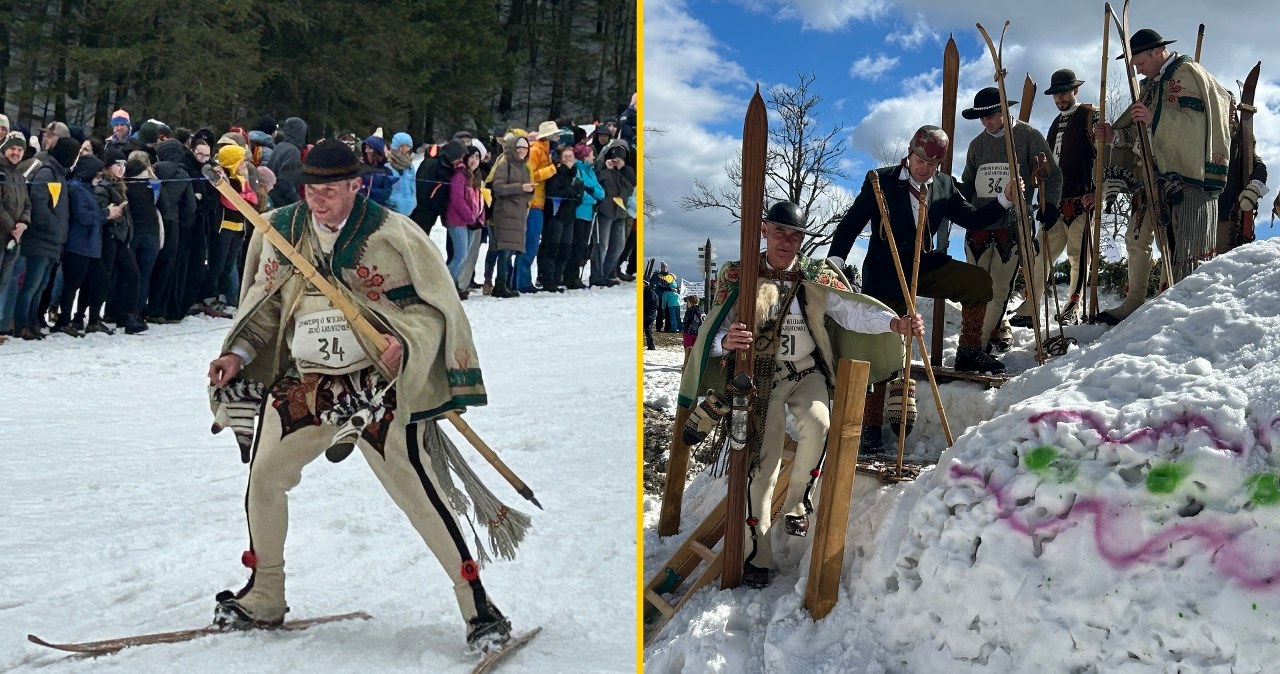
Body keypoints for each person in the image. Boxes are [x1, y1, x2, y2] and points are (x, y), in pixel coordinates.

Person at [205, 139, 526, 652]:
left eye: (330, 190)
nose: (318, 200)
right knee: (264, 478)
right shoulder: (280, 231)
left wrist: (406, 342)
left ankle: (478, 607)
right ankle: (264, 594)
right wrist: (238, 355)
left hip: (376, 388)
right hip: (306, 384)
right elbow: (261, 307)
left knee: (417, 493)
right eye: (311, 189)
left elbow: (435, 310)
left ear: (358, 184)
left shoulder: (395, 236)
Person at [678, 201, 914, 589]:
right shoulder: (741, 275)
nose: (787, 241)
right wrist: (727, 340)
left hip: (806, 372)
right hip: (762, 379)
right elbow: (714, 330)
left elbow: (850, 311)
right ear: (764, 232)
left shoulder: (816, 275)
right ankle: (758, 555)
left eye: (796, 235)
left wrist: (894, 321)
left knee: (820, 423)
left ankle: (798, 503)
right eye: (780, 232)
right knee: (763, 465)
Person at [829, 126, 1023, 450]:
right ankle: (871, 427)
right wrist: (835, 263)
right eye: (921, 160)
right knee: (880, 345)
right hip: (885, 272)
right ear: (910, 152)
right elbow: (851, 223)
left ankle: (969, 351)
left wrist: (1005, 199)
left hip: (924, 264)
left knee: (977, 282)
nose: (925, 168)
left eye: (932, 164)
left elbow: (972, 219)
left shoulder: (944, 186)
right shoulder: (880, 180)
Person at [1094, 28, 1232, 325]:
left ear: (1157, 52)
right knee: (1136, 238)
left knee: (1179, 248)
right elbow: (1138, 135)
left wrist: (1156, 118)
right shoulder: (1148, 87)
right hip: (1151, 178)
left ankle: (1173, 307)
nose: (1137, 68)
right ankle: (1134, 303)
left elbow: (1200, 124)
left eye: (1140, 61)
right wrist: (1114, 135)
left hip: (1186, 179)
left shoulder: (1189, 73)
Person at [958, 87, 1062, 353]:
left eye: (990, 116)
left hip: (1013, 226)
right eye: (981, 118)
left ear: (1004, 111)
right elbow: (969, 182)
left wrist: (1049, 204)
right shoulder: (976, 145)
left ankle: (975, 347)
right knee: (978, 288)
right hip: (980, 225)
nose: (986, 122)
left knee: (1000, 287)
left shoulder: (1028, 136)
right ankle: (991, 330)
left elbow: (1052, 175)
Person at [1011, 69, 1098, 327]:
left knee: (1078, 254)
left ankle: (1073, 303)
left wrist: (1099, 191)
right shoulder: (1053, 125)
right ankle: (1031, 306)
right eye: (1055, 95)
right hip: (1053, 202)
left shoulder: (1090, 117)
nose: (1059, 99)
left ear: (1075, 91)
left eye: (1063, 93)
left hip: (1081, 197)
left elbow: (1105, 156)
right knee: (1041, 255)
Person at [1214, 96, 1269, 255]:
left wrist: (1254, 188)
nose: (1232, 108)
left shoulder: (1243, 139)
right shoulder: (1205, 133)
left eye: (1232, 103)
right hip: (1201, 213)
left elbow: (1258, 165)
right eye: (1225, 103)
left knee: (1223, 265)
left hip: (1228, 216)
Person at [488, 134, 535, 298]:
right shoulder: (504, 165)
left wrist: (528, 192)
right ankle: (500, 284)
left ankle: (506, 283)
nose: (522, 151)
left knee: (511, 250)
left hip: (519, 213)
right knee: (504, 250)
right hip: (505, 213)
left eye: (525, 148)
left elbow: (527, 191)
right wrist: (521, 188)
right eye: (519, 147)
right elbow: (498, 188)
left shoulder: (525, 167)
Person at [0, 132, 31, 339]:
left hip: (14, 238)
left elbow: (27, 205)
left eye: (20, 150)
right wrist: (12, 226)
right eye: (13, 148)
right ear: (4, 148)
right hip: (3, 234)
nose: (16, 153)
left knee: (3, 283)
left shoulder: (19, 176)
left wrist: (23, 224)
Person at [445, 144, 484, 299]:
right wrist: (470, 217)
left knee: (465, 254)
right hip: (458, 220)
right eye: (472, 157)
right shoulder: (459, 176)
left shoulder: (476, 177)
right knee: (460, 254)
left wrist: (478, 218)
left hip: (471, 221)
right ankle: (446, 284)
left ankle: (455, 284)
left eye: (477, 157)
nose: (474, 160)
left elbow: (479, 200)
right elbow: (457, 200)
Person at [649, 261, 680, 331]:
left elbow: (674, 284)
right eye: (663, 267)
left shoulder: (670, 276)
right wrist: (670, 289)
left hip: (668, 297)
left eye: (666, 267)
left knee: (668, 313)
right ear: (661, 268)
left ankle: (667, 327)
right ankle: (659, 327)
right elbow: (659, 285)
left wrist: (677, 289)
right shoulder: (657, 275)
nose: (665, 269)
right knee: (660, 312)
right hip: (660, 296)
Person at [680, 295, 704, 364]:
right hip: (698, 334)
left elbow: (686, 323)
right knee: (696, 350)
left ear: (690, 302)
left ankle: (687, 364)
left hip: (689, 334)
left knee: (688, 351)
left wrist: (684, 331)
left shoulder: (689, 311)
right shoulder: (701, 311)